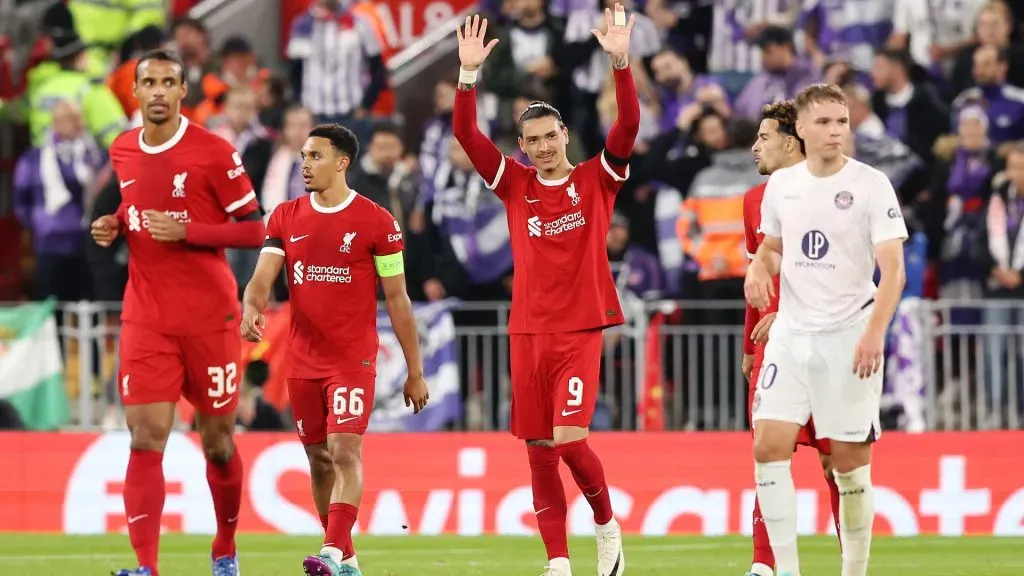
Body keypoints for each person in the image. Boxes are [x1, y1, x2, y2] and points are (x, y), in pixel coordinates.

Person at [452, 6, 639, 576]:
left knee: (569, 439)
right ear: (524, 146)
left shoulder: (596, 179)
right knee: (537, 450)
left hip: (579, 327)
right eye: (531, 140)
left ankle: (607, 527)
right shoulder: (513, 184)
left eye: (549, 136)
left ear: (565, 135)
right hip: (527, 328)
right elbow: (465, 133)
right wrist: (467, 77)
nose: (542, 147)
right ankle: (557, 560)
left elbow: (627, 125)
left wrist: (620, 62)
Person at [90, 48, 266, 576]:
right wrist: (115, 224)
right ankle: (146, 567)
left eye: (170, 81)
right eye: (150, 82)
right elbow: (133, 203)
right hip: (146, 316)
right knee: (145, 438)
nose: (160, 91)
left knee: (217, 444)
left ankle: (226, 548)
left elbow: (256, 228)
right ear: (136, 92)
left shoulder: (214, 151)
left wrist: (191, 231)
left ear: (183, 91)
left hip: (209, 318)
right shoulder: (122, 149)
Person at [240, 123, 430, 576]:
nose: (306, 164)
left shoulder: (377, 222)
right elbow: (262, 278)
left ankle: (328, 551)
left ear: (342, 162)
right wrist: (251, 307)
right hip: (303, 359)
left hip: (352, 359)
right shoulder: (285, 216)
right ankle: (347, 559)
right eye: (304, 156)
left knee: (345, 450)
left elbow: (398, 298)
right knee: (319, 460)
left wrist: (414, 369)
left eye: (316, 156)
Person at [745, 84, 908, 576]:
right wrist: (759, 268)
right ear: (802, 129)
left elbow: (893, 271)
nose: (836, 130)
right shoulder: (782, 187)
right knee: (768, 446)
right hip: (792, 335)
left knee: (848, 467)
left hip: (849, 333)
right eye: (825, 122)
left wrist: (875, 333)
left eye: (842, 121)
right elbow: (773, 247)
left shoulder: (871, 183)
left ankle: (853, 572)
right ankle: (785, 571)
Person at [742, 100, 842, 576]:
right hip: (775, 349)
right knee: (769, 455)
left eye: (762, 137)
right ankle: (765, 566)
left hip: (827, 342)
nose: (753, 147)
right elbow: (757, 278)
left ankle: (852, 563)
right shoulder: (752, 201)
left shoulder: (837, 193)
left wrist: (786, 312)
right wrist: (748, 345)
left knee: (835, 465)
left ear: (789, 142)